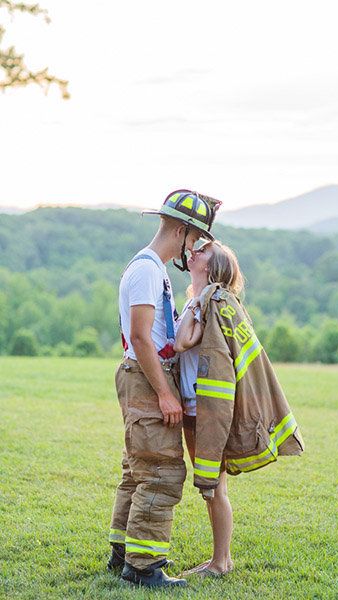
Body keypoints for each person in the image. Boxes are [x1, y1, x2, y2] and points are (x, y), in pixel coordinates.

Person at [107, 190, 221, 588]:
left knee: (137, 469)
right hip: (146, 376)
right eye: (197, 239)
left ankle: (122, 551)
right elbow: (140, 338)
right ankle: (143, 568)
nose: (197, 248)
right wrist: (166, 393)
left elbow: (161, 335)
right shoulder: (146, 271)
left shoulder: (155, 270)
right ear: (181, 231)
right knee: (160, 470)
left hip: (143, 375)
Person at [174, 240, 304, 577]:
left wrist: (198, 300)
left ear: (213, 267)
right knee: (213, 488)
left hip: (206, 410)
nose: (194, 251)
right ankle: (221, 558)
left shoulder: (214, 302)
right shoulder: (203, 299)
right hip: (194, 407)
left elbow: (183, 341)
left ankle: (220, 562)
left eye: (202, 251)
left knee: (214, 487)